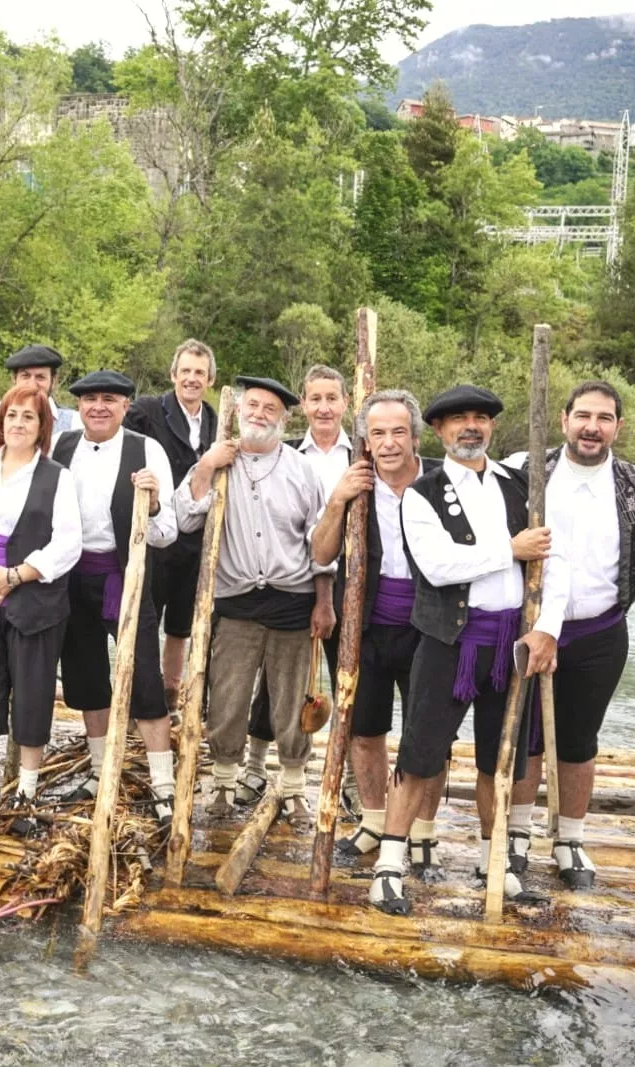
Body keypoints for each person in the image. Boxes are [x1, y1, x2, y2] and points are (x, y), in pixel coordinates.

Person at [505, 381, 635, 890]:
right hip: (528, 626)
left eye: (603, 418)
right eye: (582, 416)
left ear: (618, 426)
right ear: (563, 419)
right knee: (523, 735)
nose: (591, 427)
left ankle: (570, 838)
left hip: (600, 631)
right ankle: (515, 835)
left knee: (579, 739)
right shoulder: (523, 469)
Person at [368, 385, 564, 915]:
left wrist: (547, 627)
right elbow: (437, 566)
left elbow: (556, 560)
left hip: (511, 644)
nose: (470, 427)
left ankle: (492, 861)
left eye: (480, 418)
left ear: (492, 427)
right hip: (448, 642)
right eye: (458, 421)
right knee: (419, 754)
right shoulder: (421, 493)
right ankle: (388, 866)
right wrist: (510, 550)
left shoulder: (521, 486)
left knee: (499, 761)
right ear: (438, 431)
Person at [175, 377, 335, 830]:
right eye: (253, 405)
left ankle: (291, 786)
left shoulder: (302, 470)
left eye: (270, 409)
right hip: (236, 599)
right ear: (239, 409)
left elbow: (320, 544)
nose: (260, 414)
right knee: (227, 696)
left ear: (285, 420)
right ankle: (223, 780)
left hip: (293, 598)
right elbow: (185, 518)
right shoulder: (220, 461)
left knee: (290, 701)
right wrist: (206, 464)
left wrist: (324, 603)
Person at [308, 390, 445, 873]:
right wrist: (337, 500)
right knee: (365, 732)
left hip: (431, 627)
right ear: (366, 438)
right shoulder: (354, 483)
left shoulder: (440, 481)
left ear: (415, 436)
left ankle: (423, 826)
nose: (389, 443)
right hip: (362, 627)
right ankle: (373, 820)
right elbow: (321, 555)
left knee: (427, 733)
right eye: (378, 433)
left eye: (399, 432)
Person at [0, 384, 81, 829]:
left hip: (34, 598)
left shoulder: (57, 476)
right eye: (11, 416)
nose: (19, 424)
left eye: (29, 417)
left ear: (43, 426)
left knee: (32, 692)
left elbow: (69, 543)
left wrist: (18, 574)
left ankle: (26, 793)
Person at [52, 370, 179, 827]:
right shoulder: (62, 447)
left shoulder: (147, 451)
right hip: (70, 577)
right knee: (86, 675)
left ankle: (163, 784)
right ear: (79, 407)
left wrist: (156, 504)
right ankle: (101, 768)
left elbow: (167, 534)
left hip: (123, 576)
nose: (98, 407)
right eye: (89, 400)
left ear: (126, 406)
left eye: (109, 399)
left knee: (145, 675)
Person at [241, 364, 357, 809]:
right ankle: (254, 766)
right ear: (303, 406)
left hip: (352, 580)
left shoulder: (360, 454)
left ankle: (345, 776)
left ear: (346, 403)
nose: (324, 407)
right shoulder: (283, 453)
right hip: (292, 580)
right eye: (316, 399)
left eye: (333, 398)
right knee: (276, 678)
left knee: (348, 678)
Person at [127, 338, 217, 712]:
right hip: (154, 531)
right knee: (145, 618)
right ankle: (137, 696)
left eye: (199, 372)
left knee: (182, 622)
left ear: (210, 379)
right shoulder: (148, 410)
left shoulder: (217, 419)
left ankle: (170, 694)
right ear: (173, 374)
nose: (191, 379)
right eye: (186, 372)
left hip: (198, 538)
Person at [3, 344, 80, 435]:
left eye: (40, 377)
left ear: (53, 381)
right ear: (14, 379)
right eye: (25, 376)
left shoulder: (74, 422)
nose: (32, 384)